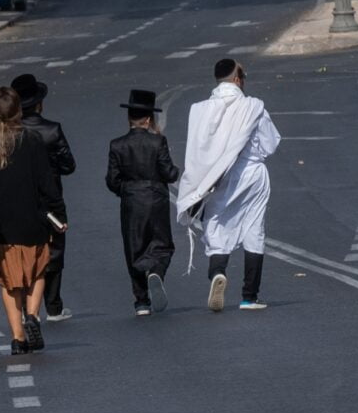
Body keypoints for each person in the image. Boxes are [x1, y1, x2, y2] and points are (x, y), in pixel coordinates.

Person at [175, 59, 280, 313]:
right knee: (254, 228)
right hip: (252, 174)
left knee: (216, 225)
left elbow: (197, 150)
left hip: (217, 177)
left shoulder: (200, 110)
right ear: (237, 80)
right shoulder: (253, 106)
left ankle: (217, 273)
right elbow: (270, 144)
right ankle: (249, 296)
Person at [0, 87, 67, 355]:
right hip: (31, 220)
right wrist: (59, 214)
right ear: (18, 111)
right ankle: (33, 315)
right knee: (38, 270)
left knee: (9, 281)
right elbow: (46, 183)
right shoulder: (31, 140)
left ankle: (17, 338)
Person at [106, 89, 180, 316]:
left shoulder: (117, 145)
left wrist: (126, 190)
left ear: (129, 118)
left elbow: (112, 180)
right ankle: (156, 271)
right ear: (148, 119)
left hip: (131, 200)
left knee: (134, 247)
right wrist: (176, 171)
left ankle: (141, 301)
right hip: (156, 198)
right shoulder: (158, 142)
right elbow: (168, 173)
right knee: (162, 244)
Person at [10, 74, 76, 323]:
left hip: (19, 198)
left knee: (23, 249)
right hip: (50, 197)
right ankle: (54, 305)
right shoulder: (52, 130)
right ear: (39, 104)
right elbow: (69, 165)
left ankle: (26, 304)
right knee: (55, 248)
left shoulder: (10, 132)